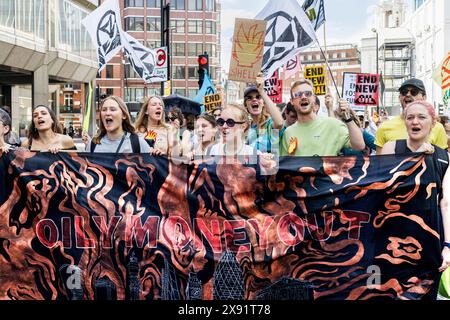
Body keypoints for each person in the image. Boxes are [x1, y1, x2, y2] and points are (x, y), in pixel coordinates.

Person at [379, 100, 450, 299]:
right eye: (410, 117)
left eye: (421, 117)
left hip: (429, 240)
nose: (415, 122)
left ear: (433, 122)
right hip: (393, 239)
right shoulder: (391, 148)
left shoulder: (444, 157)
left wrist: (448, 247)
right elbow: (383, 188)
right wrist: (414, 159)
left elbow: (446, 204)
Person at [281, 79, 365, 157]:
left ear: (313, 98)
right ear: (292, 101)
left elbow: (359, 145)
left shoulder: (333, 124)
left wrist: (348, 118)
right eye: (298, 94)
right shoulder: (288, 132)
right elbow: (286, 164)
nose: (303, 97)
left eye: (308, 93)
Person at [375, 78, 448, 154]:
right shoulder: (384, 127)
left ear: (424, 98)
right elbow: (380, 163)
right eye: (404, 92)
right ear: (399, 98)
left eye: (414, 92)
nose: (408, 94)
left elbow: (442, 161)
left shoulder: (437, 127)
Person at [209, 104, 276, 173]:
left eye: (230, 122)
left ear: (243, 126)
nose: (224, 126)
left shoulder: (254, 154)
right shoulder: (214, 150)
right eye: (221, 122)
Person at [86, 96, 151, 153]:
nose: (107, 113)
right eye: (104, 110)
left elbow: (153, 165)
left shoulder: (137, 143)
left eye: (113, 109)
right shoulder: (93, 144)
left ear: (124, 115)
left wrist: (158, 155)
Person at [244, 73, 283, 153]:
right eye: (249, 98)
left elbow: (279, 123)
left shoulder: (269, 124)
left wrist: (262, 91)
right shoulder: (245, 128)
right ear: (246, 105)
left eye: (258, 97)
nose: (254, 100)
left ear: (264, 103)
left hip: (271, 164)